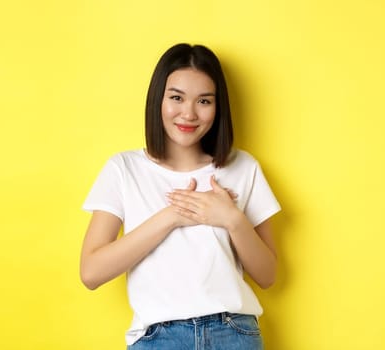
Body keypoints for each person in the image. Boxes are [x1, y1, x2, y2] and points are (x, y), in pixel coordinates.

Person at [79, 43, 280, 349]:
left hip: (234, 334)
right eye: (176, 97)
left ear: (218, 106)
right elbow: (91, 272)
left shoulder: (243, 167)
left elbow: (268, 275)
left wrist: (232, 219)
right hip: (159, 338)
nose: (189, 113)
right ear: (158, 100)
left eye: (204, 101)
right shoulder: (123, 169)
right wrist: (171, 217)